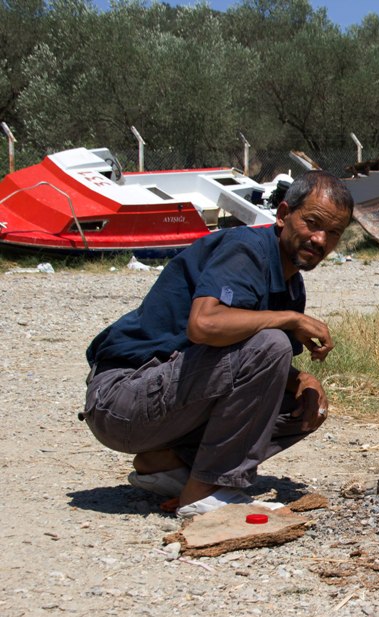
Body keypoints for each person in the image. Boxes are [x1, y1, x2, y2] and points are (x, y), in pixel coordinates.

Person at [80, 171, 353, 518]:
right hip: (120, 400)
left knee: (304, 405)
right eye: (312, 223)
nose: (320, 239)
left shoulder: (291, 285)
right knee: (272, 342)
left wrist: (301, 379)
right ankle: (207, 491)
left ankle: (164, 464)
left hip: (161, 409)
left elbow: (249, 365)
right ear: (283, 214)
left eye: (333, 233)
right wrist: (289, 320)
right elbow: (204, 325)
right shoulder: (246, 250)